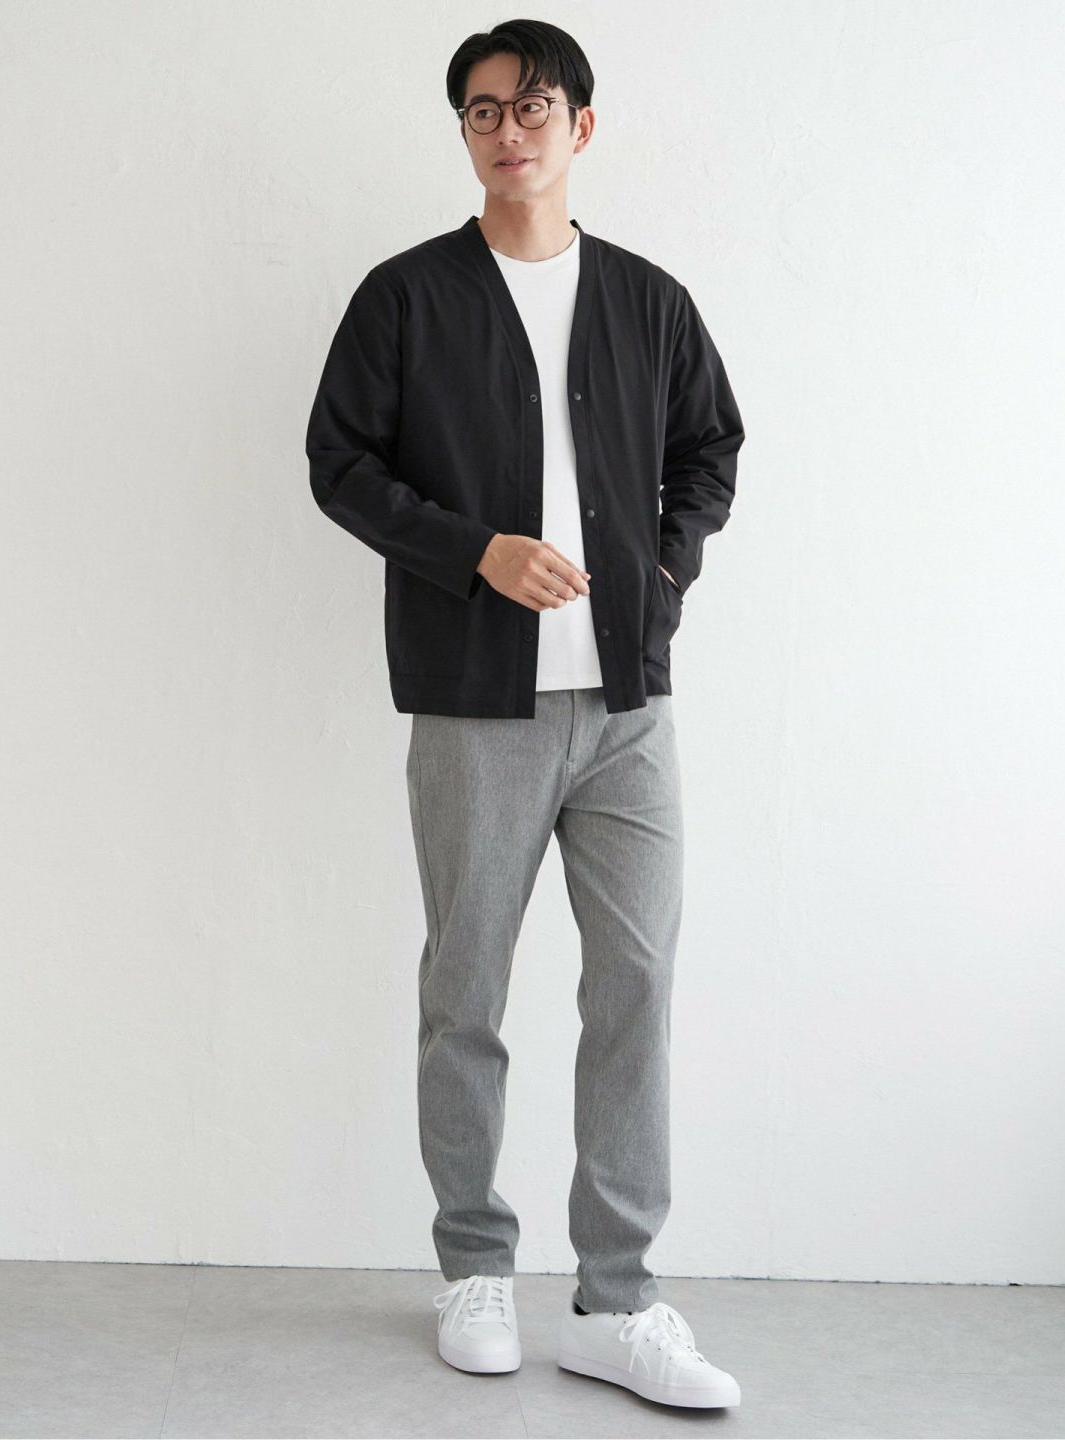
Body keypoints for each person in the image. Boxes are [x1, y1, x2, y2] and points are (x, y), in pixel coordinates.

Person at [305, 17, 745, 1411]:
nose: (510, 130)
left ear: (582, 126)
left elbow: (710, 449)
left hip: (626, 709)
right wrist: (474, 553)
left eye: (535, 105)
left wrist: (662, 574)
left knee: (638, 988)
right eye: (484, 110)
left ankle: (619, 1298)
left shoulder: (648, 301)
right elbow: (338, 462)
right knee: (468, 991)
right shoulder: (406, 298)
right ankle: (474, 1266)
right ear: (465, 133)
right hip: (475, 705)